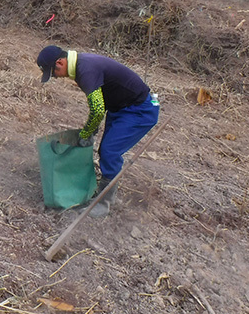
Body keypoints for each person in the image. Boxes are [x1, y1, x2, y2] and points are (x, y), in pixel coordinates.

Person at [37, 45, 159, 217]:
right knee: (105, 150)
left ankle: (104, 203)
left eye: (53, 72)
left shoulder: (85, 70)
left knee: (110, 151)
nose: (55, 77)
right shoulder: (81, 64)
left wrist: (86, 133)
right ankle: (103, 191)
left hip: (139, 110)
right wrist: (92, 130)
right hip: (120, 108)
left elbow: (98, 109)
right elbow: (100, 103)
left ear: (60, 62)